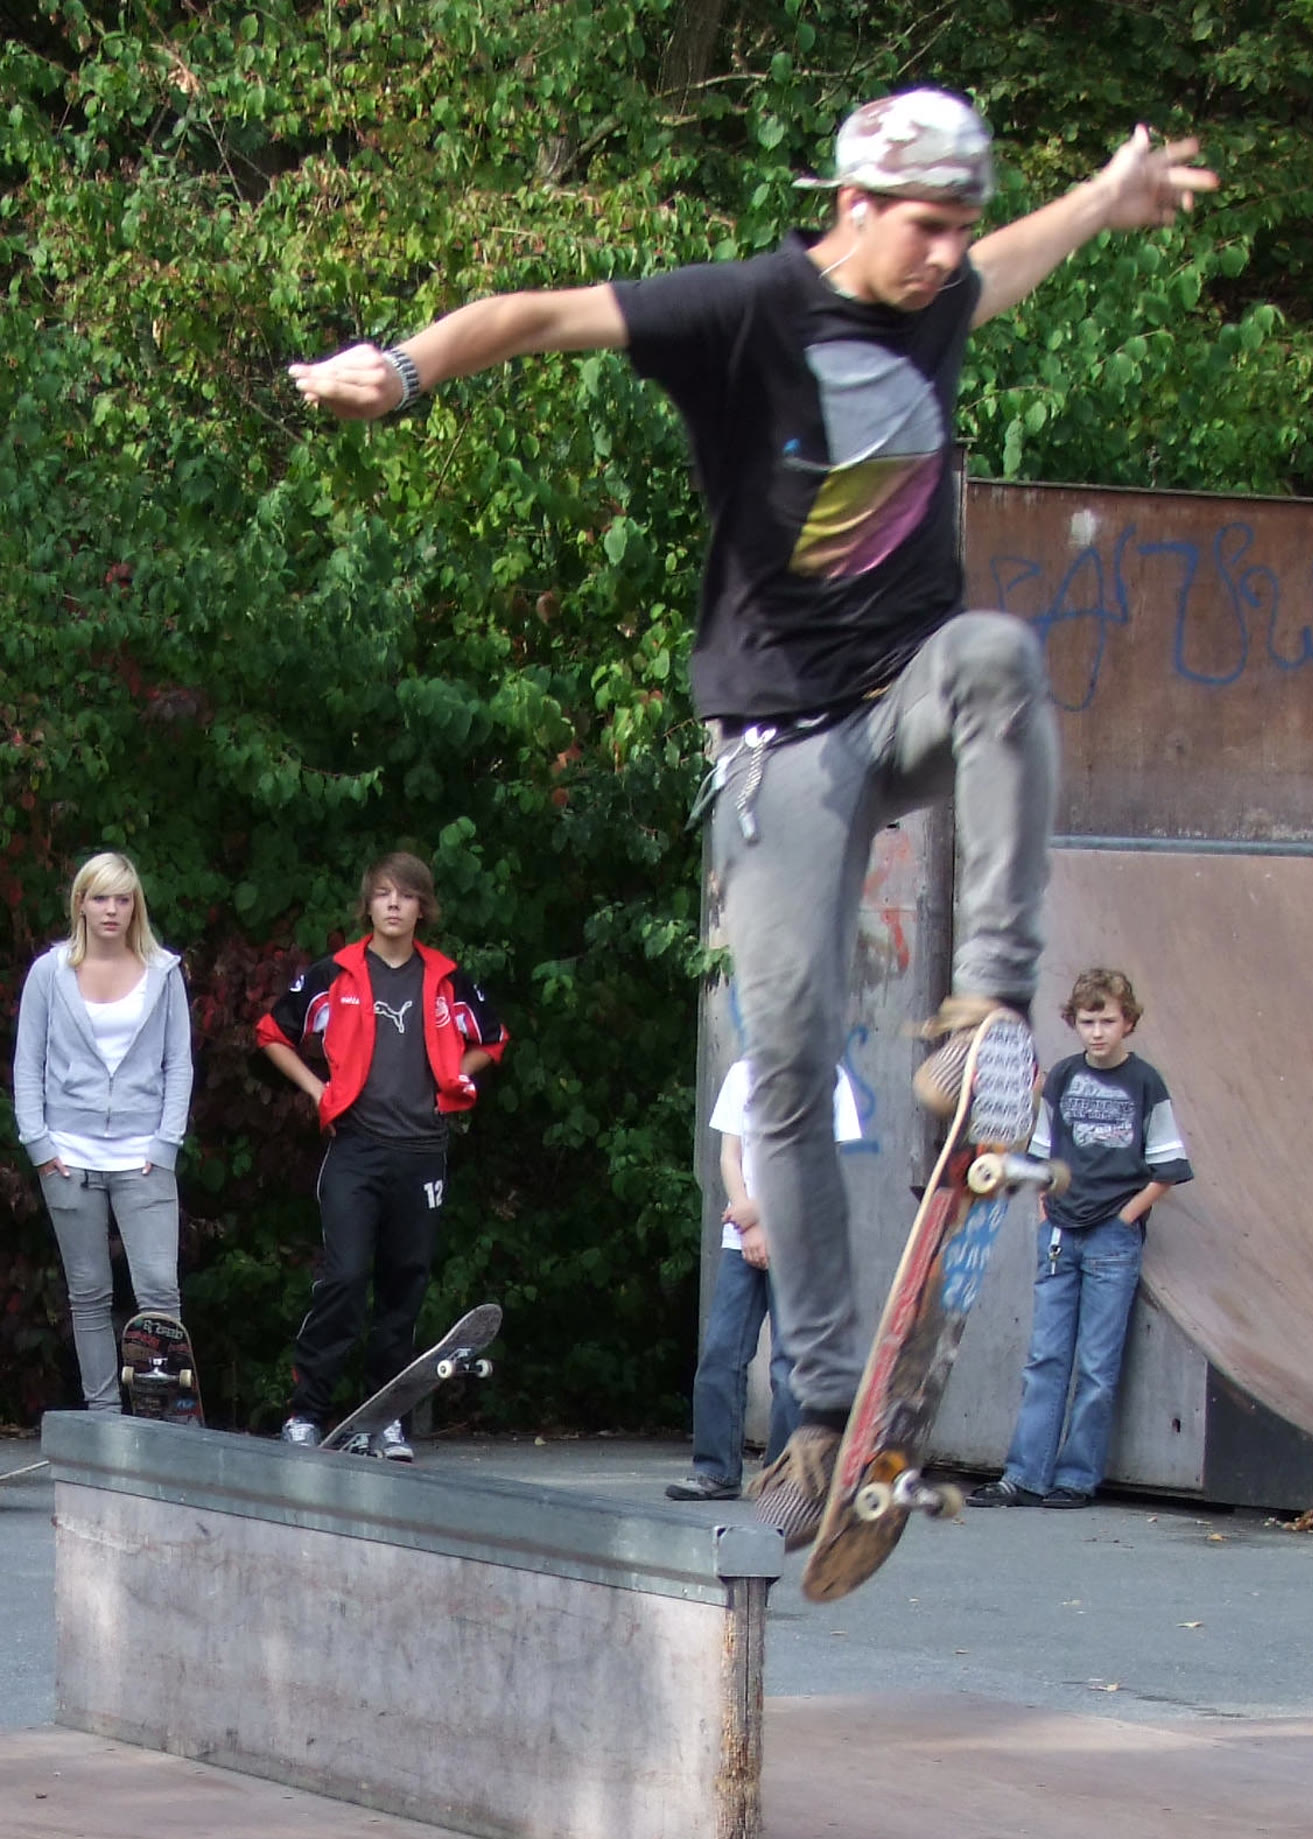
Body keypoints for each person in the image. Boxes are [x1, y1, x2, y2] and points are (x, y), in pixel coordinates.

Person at [289, 88, 1217, 1542]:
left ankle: (986, 1012)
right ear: (853, 205)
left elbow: (1011, 262)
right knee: (784, 1066)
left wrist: (1106, 198)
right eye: (926, 229)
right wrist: (402, 369)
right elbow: (536, 314)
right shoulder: (743, 312)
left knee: (995, 655)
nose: (946, 259)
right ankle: (827, 1423)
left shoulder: (939, 297)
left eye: (960, 234)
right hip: (783, 750)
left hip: (903, 699)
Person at [256, 852, 507, 1456]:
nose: (394, 904)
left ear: (423, 908)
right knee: (344, 1277)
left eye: (407, 894)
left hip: (422, 1151)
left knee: (404, 1285)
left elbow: (493, 1038)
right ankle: (306, 1413)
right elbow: (272, 1032)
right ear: (367, 904)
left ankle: (384, 1418)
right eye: (383, 894)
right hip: (356, 1150)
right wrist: (317, 1089)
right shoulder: (336, 973)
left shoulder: (446, 978)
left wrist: (455, 1076)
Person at [969, 968, 1193, 1510]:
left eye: (1108, 1021)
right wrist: (1044, 1207)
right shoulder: (1064, 1077)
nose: (1097, 1032)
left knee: (1096, 1363)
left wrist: (1126, 1217)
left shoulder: (1146, 1083)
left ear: (1127, 1023)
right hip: (1060, 1234)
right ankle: (1025, 1475)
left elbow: (1168, 1166)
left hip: (1112, 1237)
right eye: (1088, 1022)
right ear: (1074, 1023)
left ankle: (1076, 1476)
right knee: (1045, 1356)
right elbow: (1043, 1152)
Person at [12, 852, 194, 1413]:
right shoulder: (50, 973)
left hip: (143, 1157)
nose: (112, 909)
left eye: (122, 898)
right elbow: (27, 1063)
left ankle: (163, 1416)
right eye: (100, 898)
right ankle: (104, 1418)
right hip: (69, 1157)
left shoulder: (163, 971)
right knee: (89, 1293)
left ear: (135, 906)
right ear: (81, 905)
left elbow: (179, 1063)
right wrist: (40, 1146)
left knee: (159, 1292)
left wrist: (165, 1143)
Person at [666, 1055, 862, 1502]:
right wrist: (749, 1222)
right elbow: (730, 1156)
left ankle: (784, 1477)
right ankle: (716, 1471)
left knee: (790, 1365)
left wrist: (759, 1213)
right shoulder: (743, 1073)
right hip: (742, 1239)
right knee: (721, 1352)